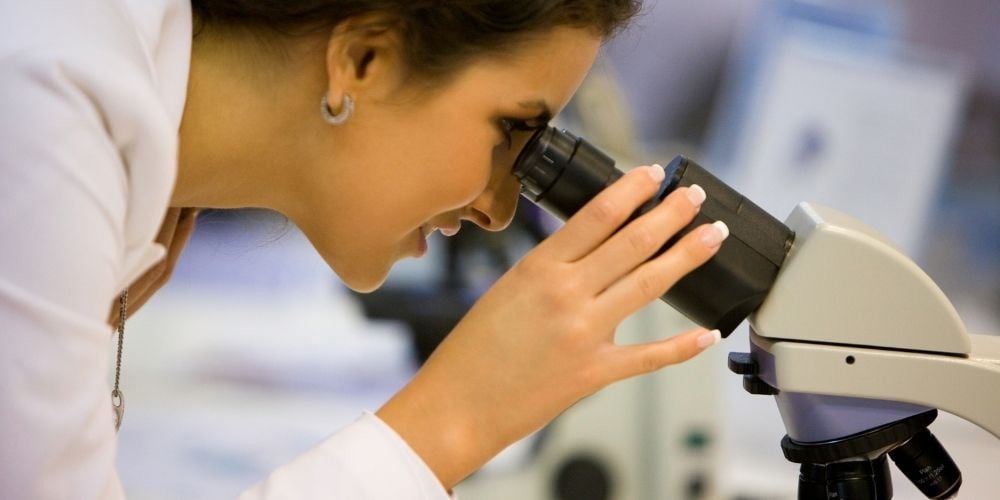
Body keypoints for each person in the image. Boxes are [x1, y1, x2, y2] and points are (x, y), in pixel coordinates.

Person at [0, 0, 730, 498]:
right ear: (363, 58)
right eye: (509, 131)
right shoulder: (46, 113)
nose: (499, 206)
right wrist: (456, 416)